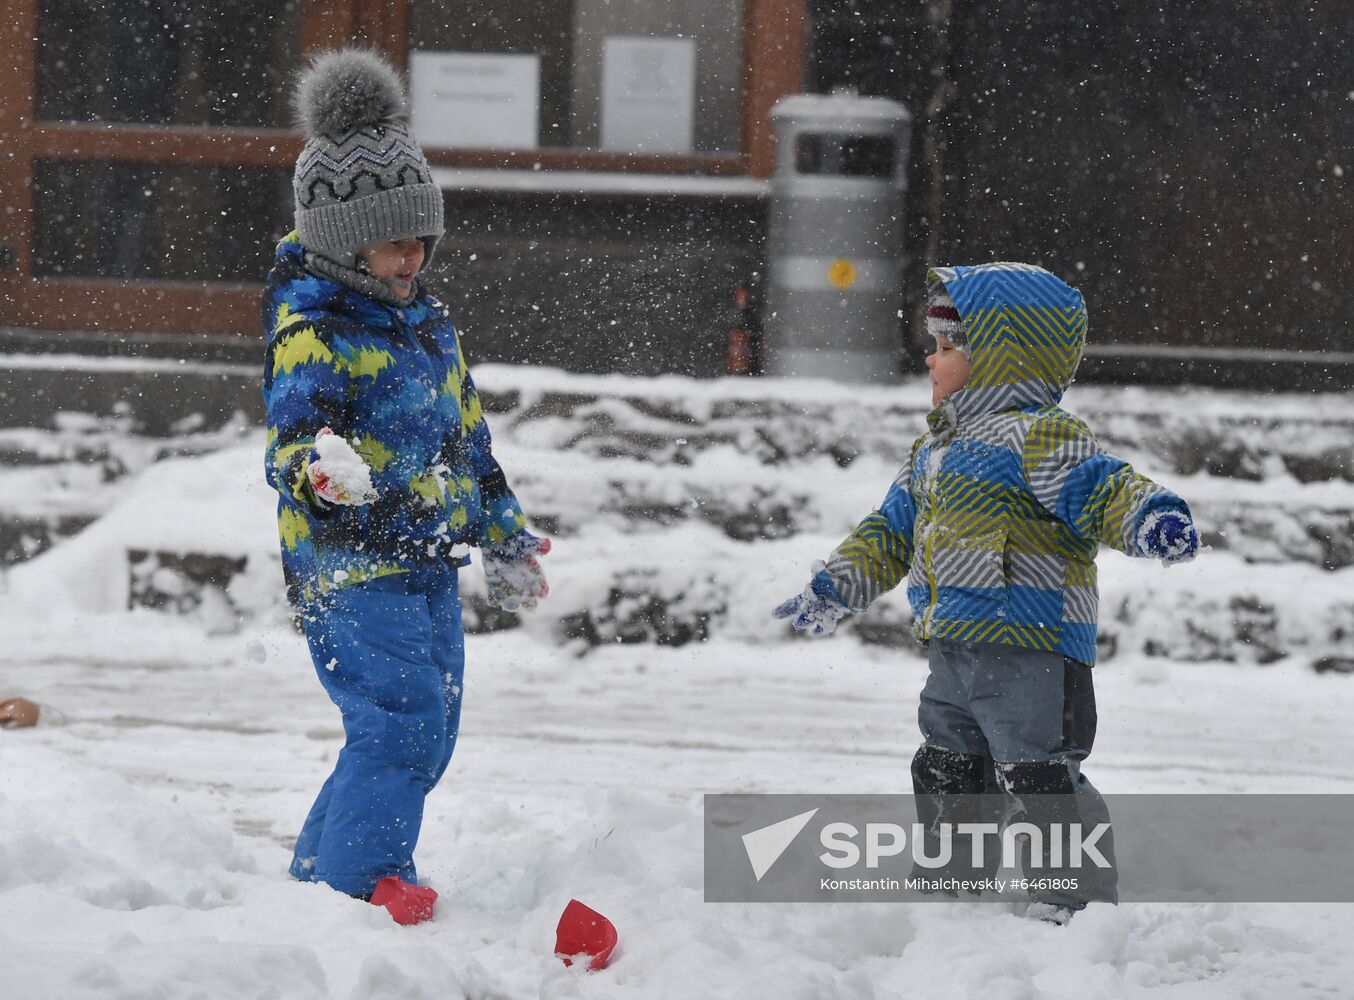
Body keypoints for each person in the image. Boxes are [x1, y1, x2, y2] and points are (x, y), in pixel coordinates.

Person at [774, 262, 1199, 923]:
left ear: (1005, 359)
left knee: (1040, 773)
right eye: (934, 345)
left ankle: (1073, 900)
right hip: (954, 647)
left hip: (1032, 649)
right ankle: (953, 885)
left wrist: (1149, 517)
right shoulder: (932, 453)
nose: (931, 358)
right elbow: (890, 530)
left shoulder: (1039, 437)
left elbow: (1104, 487)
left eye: (948, 347)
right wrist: (837, 585)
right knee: (947, 761)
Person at [261, 49, 550, 924]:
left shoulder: (426, 325)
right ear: (344, 243)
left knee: (428, 731)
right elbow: (287, 451)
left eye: (422, 236)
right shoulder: (313, 330)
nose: (414, 254)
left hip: (424, 559)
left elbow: (468, 442)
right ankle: (365, 882)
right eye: (396, 240)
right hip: (346, 566)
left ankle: (321, 872)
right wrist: (322, 474)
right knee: (401, 722)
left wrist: (503, 530)